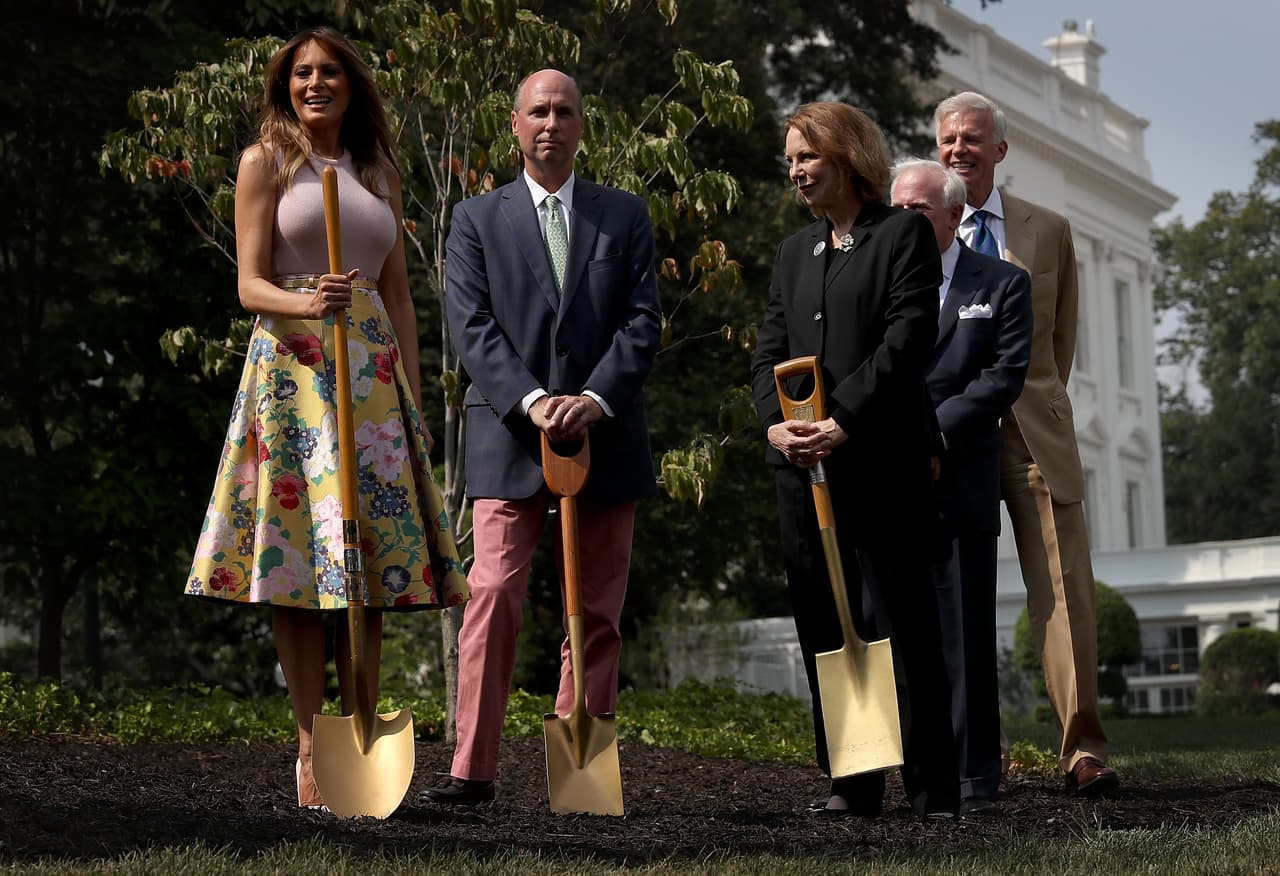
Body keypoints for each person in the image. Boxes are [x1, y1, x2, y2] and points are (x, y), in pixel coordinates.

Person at [185, 26, 469, 811]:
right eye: (302, 73)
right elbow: (248, 285)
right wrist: (309, 298)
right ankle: (311, 744)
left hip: (374, 383)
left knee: (370, 570)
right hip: (295, 378)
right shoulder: (264, 164)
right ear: (287, 86)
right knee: (299, 569)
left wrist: (410, 396)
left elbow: (401, 295)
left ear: (352, 85)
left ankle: (363, 730)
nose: (316, 83)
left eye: (330, 72)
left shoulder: (379, 170)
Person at [425, 69, 661, 806]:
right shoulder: (474, 219)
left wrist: (592, 398)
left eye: (563, 111)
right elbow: (470, 326)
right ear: (515, 124)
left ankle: (578, 775)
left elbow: (642, 320)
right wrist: (532, 400)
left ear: (582, 125)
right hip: (507, 436)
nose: (550, 123)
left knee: (596, 609)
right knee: (492, 594)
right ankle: (472, 770)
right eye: (538, 112)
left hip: (606, 435)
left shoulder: (624, 216)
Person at [750, 102, 959, 821]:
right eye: (790, 161)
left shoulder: (901, 235)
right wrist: (779, 426)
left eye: (807, 157)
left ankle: (934, 787)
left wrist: (843, 422)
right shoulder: (792, 253)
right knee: (826, 626)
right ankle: (854, 780)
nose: (796, 171)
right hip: (803, 474)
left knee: (904, 621)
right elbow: (766, 354)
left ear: (847, 156)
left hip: (880, 464)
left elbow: (906, 339)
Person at [934, 90, 1118, 796]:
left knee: (1066, 595)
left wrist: (1035, 402)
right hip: (954, 439)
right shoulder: (920, 227)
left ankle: (1083, 750)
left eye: (973, 139)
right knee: (958, 595)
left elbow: (1059, 340)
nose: (959, 149)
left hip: (1034, 437)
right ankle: (982, 749)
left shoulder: (1049, 231)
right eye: (949, 138)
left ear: (999, 150)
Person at [890, 159, 1032, 815]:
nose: (905, 220)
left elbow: (1002, 378)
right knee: (894, 638)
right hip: (887, 482)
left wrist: (931, 435)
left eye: (918, 208)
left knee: (965, 639)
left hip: (960, 480)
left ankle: (975, 779)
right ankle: (917, 778)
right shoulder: (874, 287)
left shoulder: (1001, 284)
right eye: (897, 209)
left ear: (953, 214)